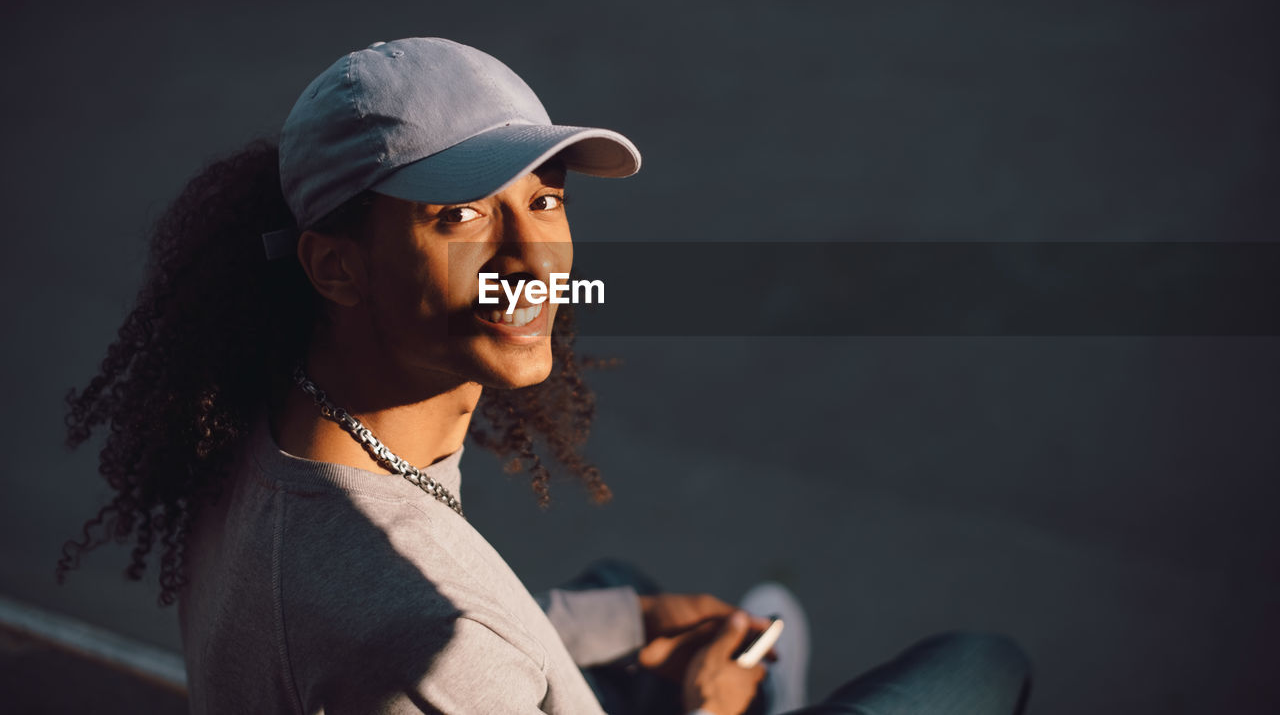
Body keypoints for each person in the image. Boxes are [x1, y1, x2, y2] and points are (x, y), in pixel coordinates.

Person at [58, 36, 1032, 714]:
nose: (534, 259)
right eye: (460, 216)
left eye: (545, 199)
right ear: (336, 265)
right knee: (980, 664)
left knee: (624, 589)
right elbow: (437, 642)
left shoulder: (270, 424)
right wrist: (706, 706)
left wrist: (631, 622)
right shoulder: (425, 635)